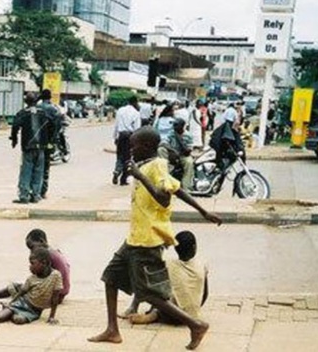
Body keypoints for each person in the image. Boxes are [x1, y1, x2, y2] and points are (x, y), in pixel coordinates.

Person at [87, 127, 221, 350]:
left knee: (150, 294)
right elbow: (177, 189)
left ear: (147, 147)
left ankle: (195, 325)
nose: (131, 149)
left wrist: (139, 176)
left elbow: (164, 199)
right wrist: (203, 211)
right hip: (135, 238)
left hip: (148, 240)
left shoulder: (156, 165)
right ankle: (112, 329)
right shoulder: (150, 165)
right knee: (110, 278)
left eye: (135, 146)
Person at [124, 230, 209, 325]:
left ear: (176, 248)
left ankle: (149, 313)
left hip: (172, 316)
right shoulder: (202, 265)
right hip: (193, 316)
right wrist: (196, 308)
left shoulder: (169, 264)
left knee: (148, 281)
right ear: (195, 247)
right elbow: (205, 294)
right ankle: (156, 313)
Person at [0, 228, 71, 304]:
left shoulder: (47, 256)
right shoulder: (54, 252)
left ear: (42, 241)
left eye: (32, 247)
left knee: (15, 288)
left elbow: (42, 279)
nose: (31, 251)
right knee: (19, 288)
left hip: (55, 295)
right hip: (62, 292)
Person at [0, 248, 63, 325]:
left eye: (32, 263)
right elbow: (22, 292)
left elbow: (55, 298)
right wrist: (11, 302)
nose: (30, 267)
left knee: (18, 320)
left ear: (44, 262)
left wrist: (51, 317)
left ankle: (9, 311)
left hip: (35, 311)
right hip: (22, 303)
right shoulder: (31, 279)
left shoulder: (56, 276)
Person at [10, 93, 54, 204]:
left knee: (26, 170)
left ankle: (24, 196)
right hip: (41, 146)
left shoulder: (22, 113)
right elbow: (53, 124)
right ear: (36, 101)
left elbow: (15, 125)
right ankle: (35, 195)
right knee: (38, 171)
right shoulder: (43, 113)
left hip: (28, 146)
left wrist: (14, 139)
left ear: (26, 102)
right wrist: (49, 139)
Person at [112, 95, 141, 186]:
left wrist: (115, 137)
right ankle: (123, 179)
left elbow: (116, 124)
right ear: (135, 102)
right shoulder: (136, 113)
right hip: (130, 136)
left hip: (121, 136)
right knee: (128, 158)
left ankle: (117, 170)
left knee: (119, 155)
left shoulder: (120, 110)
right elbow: (137, 128)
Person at [38, 89, 61, 199]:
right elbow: (58, 125)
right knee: (46, 166)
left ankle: (35, 190)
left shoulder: (36, 108)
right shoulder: (53, 109)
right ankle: (43, 191)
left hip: (36, 141)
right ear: (50, 97)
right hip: (48, 142)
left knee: (36, 165)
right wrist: (54, 140)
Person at [168, 119, 195, 190]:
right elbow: (165, 143)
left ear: (182, 126)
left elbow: (189, 149)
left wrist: (181, 142)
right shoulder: (171, 134)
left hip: (183, 155)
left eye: (176, 125)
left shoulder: (188, 135)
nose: (174, 127)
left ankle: (186, 186)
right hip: (172, 154)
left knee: (189, 163)